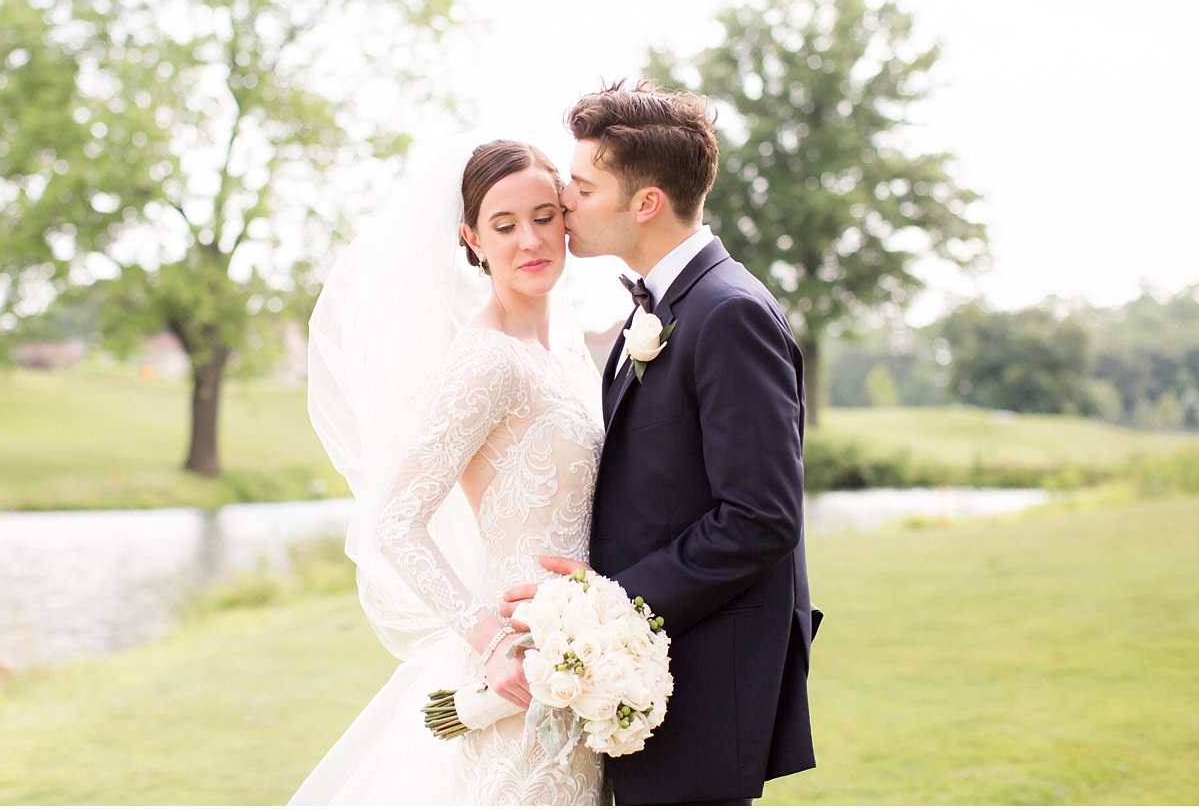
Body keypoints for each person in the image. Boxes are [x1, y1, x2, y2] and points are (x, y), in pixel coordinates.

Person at [501, 80, 821, 805]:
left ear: (645, 202)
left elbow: (762, 516)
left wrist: (609, 605)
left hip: (701, 683)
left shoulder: (728, 312)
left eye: (581, 185)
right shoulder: (658, 309)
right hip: (647, 677)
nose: (563, 200)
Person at [294, 138, 607, 805]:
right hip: (518, 673)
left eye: (544, 215)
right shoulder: (485, 361)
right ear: (472, 238)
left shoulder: (571, 354)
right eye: (504, 225)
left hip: (585, 661)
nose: (531, 238)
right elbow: (396, 523)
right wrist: (491, 638)